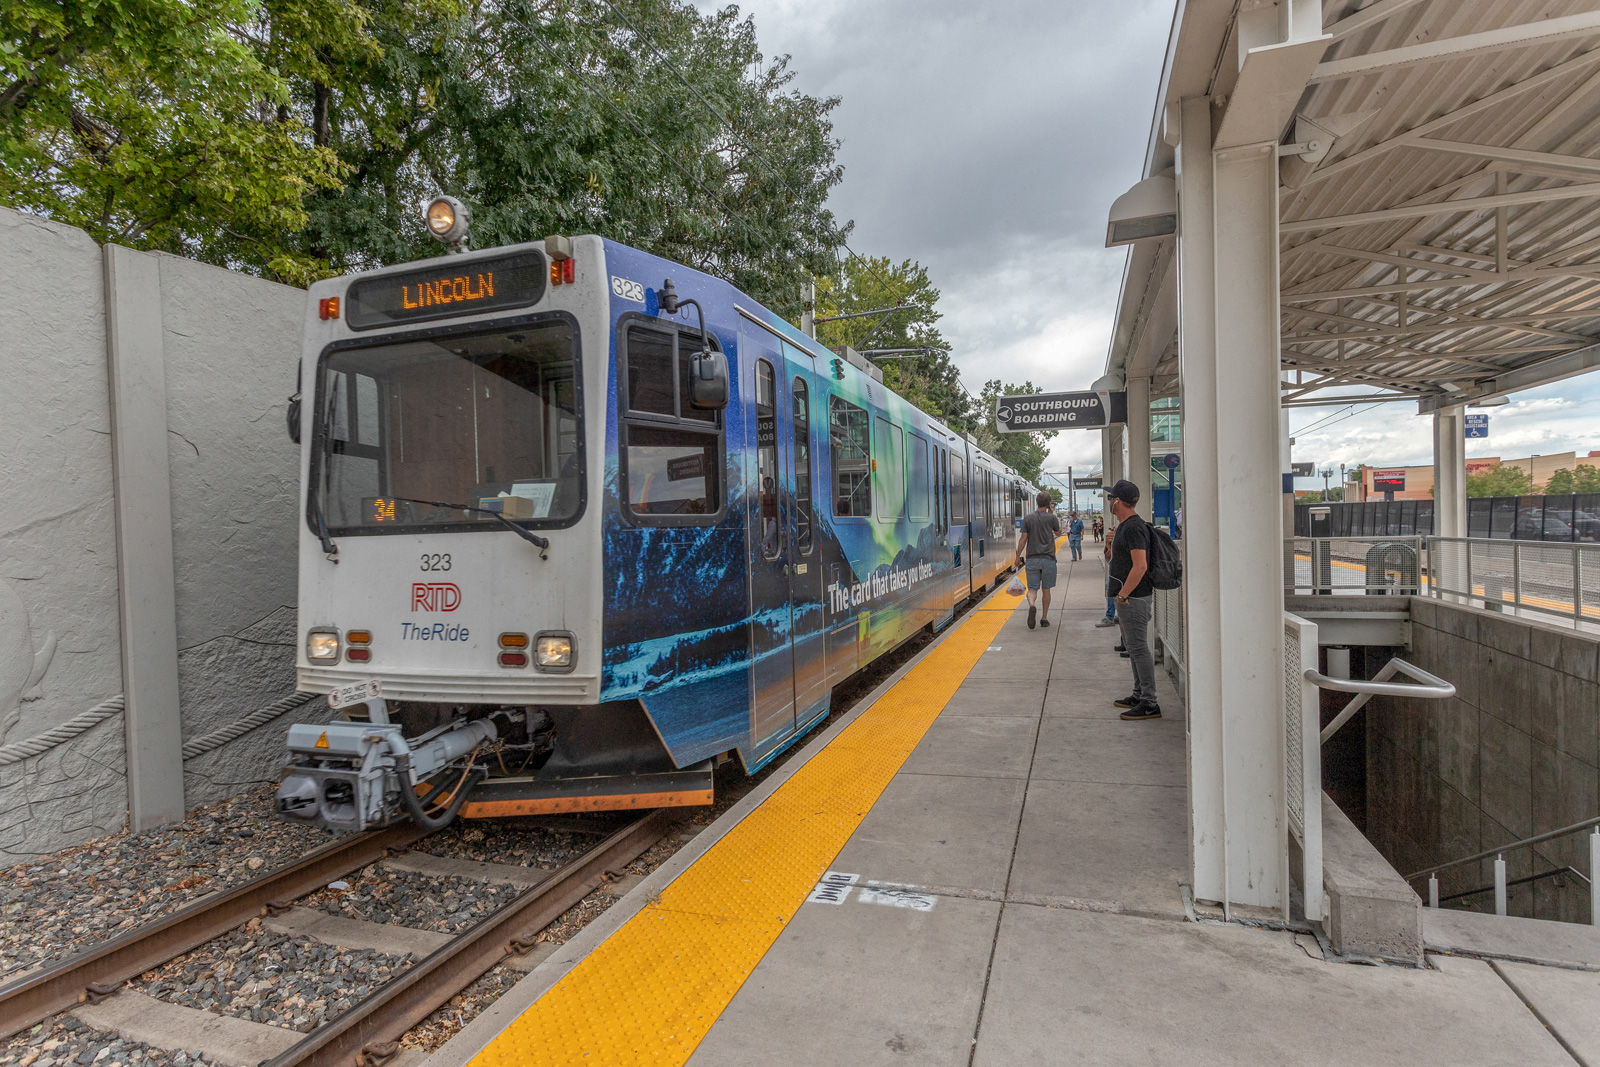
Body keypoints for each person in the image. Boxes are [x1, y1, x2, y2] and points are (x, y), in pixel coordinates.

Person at [1105, 479, 1159, 720]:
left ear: (1117, 501)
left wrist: (1123, 594)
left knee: (1138, 649)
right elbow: (1117, 562)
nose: (1108, 502)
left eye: (1110, 498)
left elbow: (1140, 566)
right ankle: (1138, 694)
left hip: (1134, 598)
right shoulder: (1125, 527)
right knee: (1134, 648)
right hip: (1128, 598)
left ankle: (1149, 702)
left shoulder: (1134, 527)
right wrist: (1109, 547)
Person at [1014, 491, 1061, 630]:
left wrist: (1017, 557)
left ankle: (1032, 605)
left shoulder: (1028, 518)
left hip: (1032, 559)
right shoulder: (1051, 518)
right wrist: (1052, 514)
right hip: (1048, 559)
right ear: (1048, 504)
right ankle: (1044, 618)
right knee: (1046, 590)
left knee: (1032, 589)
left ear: (1037, 502)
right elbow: (1059, 532)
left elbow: (1023, 539)